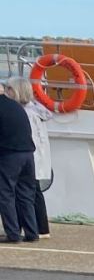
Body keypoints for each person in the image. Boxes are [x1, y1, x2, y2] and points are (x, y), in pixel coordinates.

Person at [9, 77, 51, 239]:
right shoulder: (37, 110)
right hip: (35, 156)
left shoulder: (25, 113)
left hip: (26, 155)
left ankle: (32, 228)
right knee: (34, 192)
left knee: (26, 193)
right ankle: (40, 227)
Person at [0, 81, 39, 244]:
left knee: (5, 194)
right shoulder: (16, 106)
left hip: (10, 155)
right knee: (26, 195)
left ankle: (13, 233)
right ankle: (32, 232)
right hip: (28, 154)